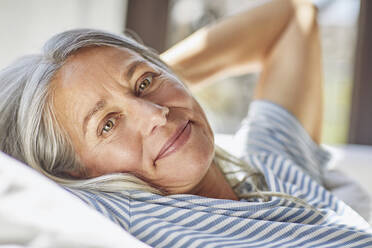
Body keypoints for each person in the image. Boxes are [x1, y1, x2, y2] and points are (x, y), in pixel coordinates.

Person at [0, 0, 371, 247]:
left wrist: (150, 76)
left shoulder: (272, 162)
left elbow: (292, 17)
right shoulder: (111, 212)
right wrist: (138, 82)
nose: (156, 116)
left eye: (145, 83)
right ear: (74, 171)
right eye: (108, 125)